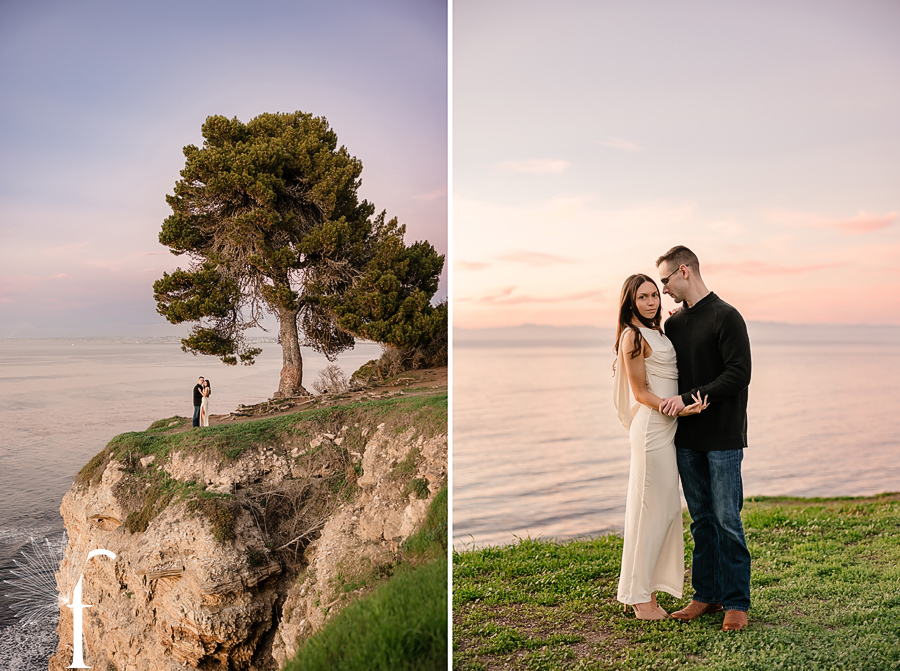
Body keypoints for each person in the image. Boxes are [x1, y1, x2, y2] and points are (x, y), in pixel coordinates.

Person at [655, 245, 752, 632]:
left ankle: (736, 602)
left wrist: (688, 399)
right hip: (686, 437)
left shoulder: (727, 316)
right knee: (701, 521)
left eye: (665, 281)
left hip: (724, 436)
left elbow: (738, 374)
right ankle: (706, 596)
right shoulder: (675, 324)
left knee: (728, 519)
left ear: (684, 270)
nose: (663, 290)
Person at [613, 273, 708, 620]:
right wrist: (677, 406)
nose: (652, 302)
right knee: (649, 512)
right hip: (652, 429)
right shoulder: (632, 337)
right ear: (630, 302)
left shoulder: (659, 332)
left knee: (664, 511)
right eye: (643, 297)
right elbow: (640, 393)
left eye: (655, 295)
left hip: (668, 428)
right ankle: (641, 599)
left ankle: (644, 591)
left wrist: (683, 406)